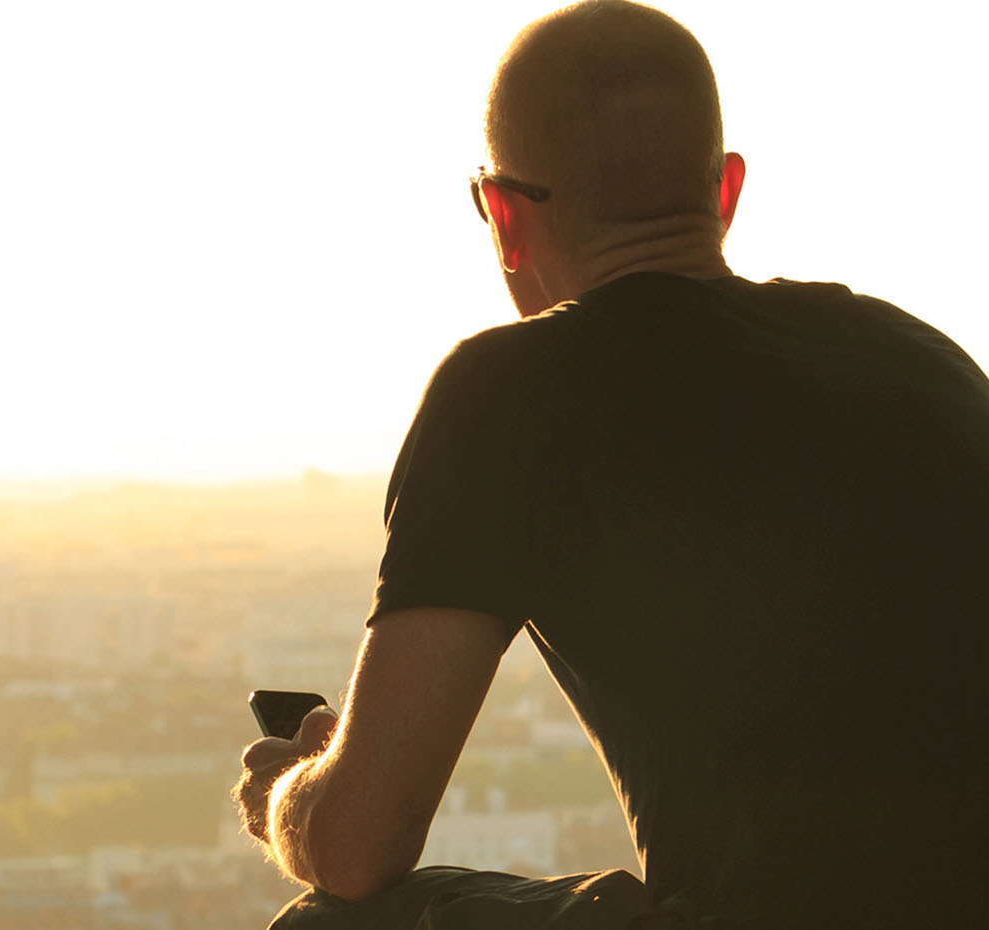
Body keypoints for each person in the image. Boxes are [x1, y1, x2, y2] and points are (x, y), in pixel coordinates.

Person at [232, 2, 989, 928]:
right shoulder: (925, 362)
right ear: (725, 191)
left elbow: (358, 846)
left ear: (503, 216)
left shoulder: (510, 393)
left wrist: (291, 793)